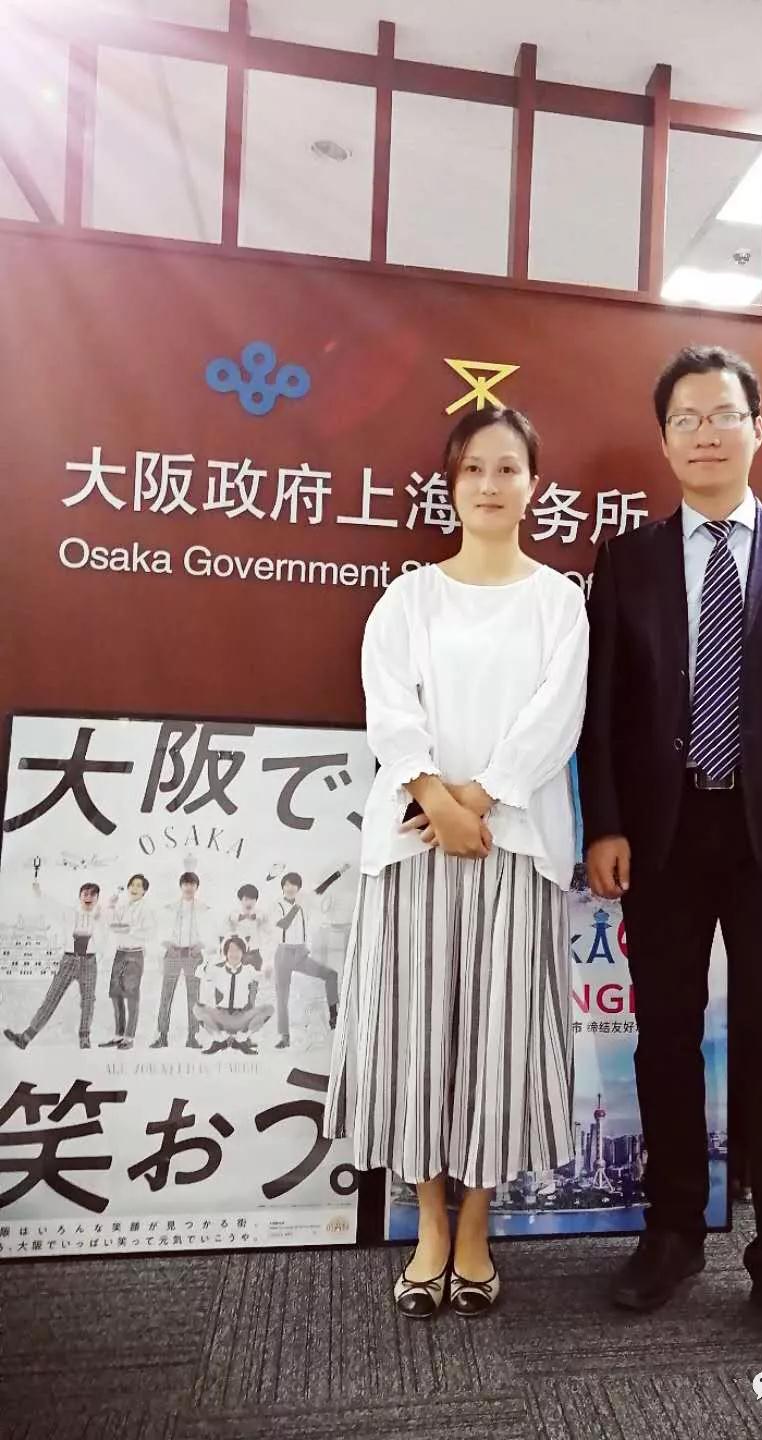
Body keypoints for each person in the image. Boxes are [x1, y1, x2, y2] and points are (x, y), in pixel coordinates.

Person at [578, 345, 762, 1375]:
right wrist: (605, 823)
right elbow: (603, 708)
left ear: (756, 429)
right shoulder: (629, 561)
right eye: (685, 418)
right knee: (664, 1035)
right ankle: (673, 1230)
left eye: (722, 414)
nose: (705, 432)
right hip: (661, 834)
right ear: (664, 441)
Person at [324, 406, 588, 1319]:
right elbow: (389, 708)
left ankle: (477, 1226)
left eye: (508, 468)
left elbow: (556, 717)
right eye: (474, 468)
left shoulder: (559, 601)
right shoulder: (410, 598)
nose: (490, 484)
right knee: (418, 1040)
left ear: (533, 486)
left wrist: (481, 800)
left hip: (513, 847)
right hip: (413, 843)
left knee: (495, 1044)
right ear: (451, 483)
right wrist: (436, 798)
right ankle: (429, 1228)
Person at [4, 880, 107, 1050]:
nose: (88, 897)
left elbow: (104, 942)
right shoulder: (69, 913)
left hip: (89, 961)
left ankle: (84, 1039)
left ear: (97, 898)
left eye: (93, 895)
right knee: (51, 998)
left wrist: (98, 920)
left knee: (88, 1001)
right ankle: (25, 1038)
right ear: (80, 897)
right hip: (69, 960)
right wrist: (39, 893)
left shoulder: (100, 918)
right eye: (85, 894)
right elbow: (52, 906)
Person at [152, 871, 216, 1050]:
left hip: (193, 955)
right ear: (181, 886)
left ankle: (192, 1037)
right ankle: (162, 1036)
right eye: (186, 884)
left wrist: (201, 945)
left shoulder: (204, 908)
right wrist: (166, 943)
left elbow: (211, 932)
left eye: (192, 884)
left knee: (193, 997)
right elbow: (160, 930)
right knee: (166, 995)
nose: (189, 887)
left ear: (197, 887)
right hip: (173, 953)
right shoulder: (170, 908)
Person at [272, 872, 338, 1047]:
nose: (290, 888)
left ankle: (334, 1017)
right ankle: (284, 1037)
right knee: (282, 996)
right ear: (282, 887)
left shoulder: (304, 902)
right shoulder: (277, 905)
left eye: (293, 885)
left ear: (298, 888)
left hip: (300, 953)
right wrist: (296, 906)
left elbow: (320, 889)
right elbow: (283, 924)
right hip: (284, 954)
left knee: (331, 975)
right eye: (287, 884)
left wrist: (339, 873)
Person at [100, 873, 156, 1050]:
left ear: (144, 891)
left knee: (131, 995)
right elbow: (110, 922)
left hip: (134, 954)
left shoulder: (146, 909)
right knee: (116, 993)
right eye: (132, 885)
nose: (134, 888)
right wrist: (111, 905)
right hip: (120, 953)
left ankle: (129, 1037)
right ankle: (118, 1035)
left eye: (139, 886)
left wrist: (130, 930)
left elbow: (150, 933)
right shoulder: (123, 906)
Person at [194, 936, 273, 1055]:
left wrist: (267, 970)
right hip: (222, 1015)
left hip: (240, 1017)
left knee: (268, 1009)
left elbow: (263, 977)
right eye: (231, 950)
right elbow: (199, 973)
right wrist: (207, 958)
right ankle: (220, 1041)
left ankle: (240, 1040)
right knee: (198, 1009)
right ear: (226, 953)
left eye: (238, 950)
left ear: (243, 953)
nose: (234, 954)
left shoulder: (248, 970)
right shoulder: (218, 970)